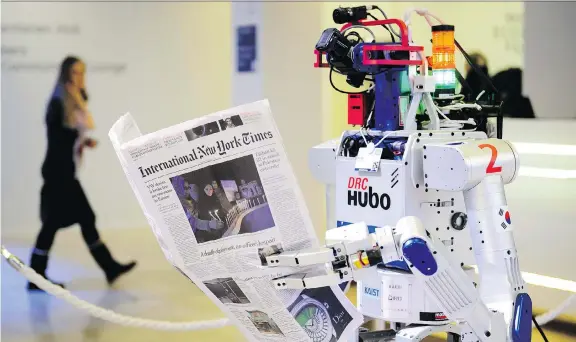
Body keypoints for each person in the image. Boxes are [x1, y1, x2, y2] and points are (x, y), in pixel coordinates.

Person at [28, 56, 136, 291]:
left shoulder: (69, 102)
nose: (80, 78)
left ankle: (108, 267)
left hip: (65, 172)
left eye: (82, 73)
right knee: (54, 224)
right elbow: (79, 126)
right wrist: (79, 101)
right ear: (66, 74)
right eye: (76, 73)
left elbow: (71, 133)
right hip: (58, 174)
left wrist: (83, 142)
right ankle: (35, 275)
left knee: (83, 219)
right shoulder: (60, 102)